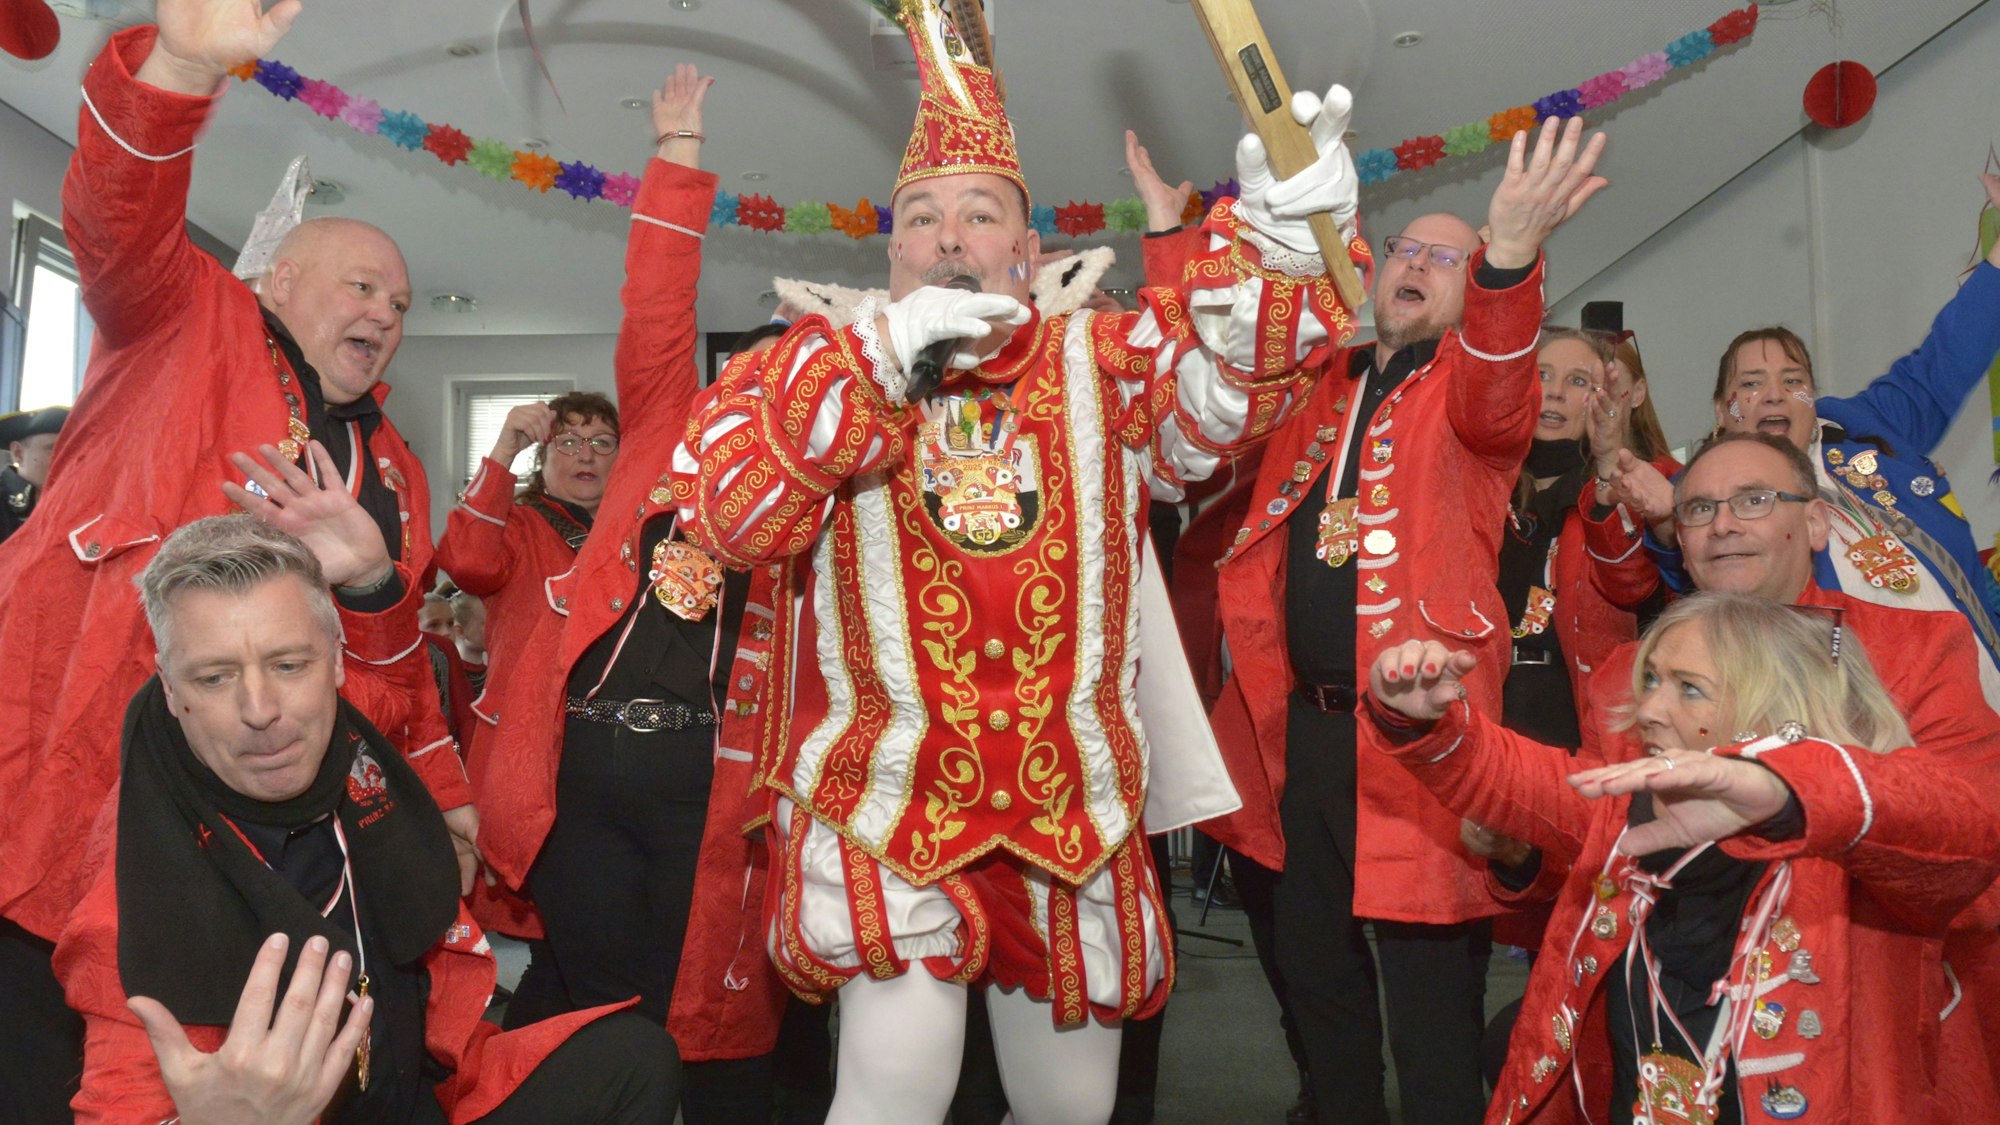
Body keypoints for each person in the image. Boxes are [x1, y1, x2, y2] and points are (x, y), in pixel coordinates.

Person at [670, 1, 1367, 1118]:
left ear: (1026, 250)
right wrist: (877, 359)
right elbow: (731, 513)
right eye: (925, 219)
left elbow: (1228, 393)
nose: (950, 237)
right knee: (887, 1099)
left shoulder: (1104, 357)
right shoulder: (815, 367)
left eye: (980, 214)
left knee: (1067, 1114)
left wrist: (1280, 246)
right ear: (891, 252)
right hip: (887, 806)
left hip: (1071, 813)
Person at [0, 1, 473, 1114]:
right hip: (61, 794)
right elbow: (114, 226)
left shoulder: (397, 468)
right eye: (360, 286)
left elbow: (382, 675)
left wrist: (370, 587)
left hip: (249, 841)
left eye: (400, 305)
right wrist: (174, 68)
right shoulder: (187, 318)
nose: (386, 315)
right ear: (274, 284)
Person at [1185, 117, 1607, 1125]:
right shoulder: (1315, 390)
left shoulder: (1466, 400)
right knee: (1311, 973)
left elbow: (1502, 379)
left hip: (1425, 743)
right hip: (1300, 737)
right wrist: (1182, 239)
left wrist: (1506, 256)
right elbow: (1217, 353)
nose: (1416, 265)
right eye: (1404, 250)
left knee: (1430, 1007)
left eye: (1443, 259)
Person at [55, 513, 679, 1124]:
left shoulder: (347, 727)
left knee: (636, 1056)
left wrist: (374, 581)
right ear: (169, 687)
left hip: (418, 1087)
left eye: (287, 664)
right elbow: (119, 1102)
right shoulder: (134, 908)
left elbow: (397, 687)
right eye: (215, 677)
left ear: (333, 664)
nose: (260, 710)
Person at [464, 65, 789, 1124]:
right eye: (748, 383)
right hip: (590, 767)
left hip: (708, 778)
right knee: (605, 1002)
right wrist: (678, 154)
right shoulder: (661, 431)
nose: (764, 404)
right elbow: (656, 300)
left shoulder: (806, 505)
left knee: (689, 997)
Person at [1363, 589, 2000, 1124]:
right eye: (1652, 681)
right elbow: (1517, 778)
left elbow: (1959, 825)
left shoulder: (1865, 848)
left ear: (1781, 707)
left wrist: (1791, 791)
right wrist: (1421, 721)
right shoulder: (1636, 805)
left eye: (1688, 689)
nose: (1646, 709)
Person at [1609, 173, 2000, 704]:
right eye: (1751, 384)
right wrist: (1666, 520)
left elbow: (1947, 358)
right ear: (1724, 411)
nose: (1775, 396)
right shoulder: (1702, 495)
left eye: (1793, 381)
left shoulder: (1866, 426)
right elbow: (1710, 599)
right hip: (1857, 713)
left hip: (1982, 688)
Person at [0, 404, 66, 543]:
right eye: (53, 448)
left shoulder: (79, 501)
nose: (66, 457)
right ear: (18, 454)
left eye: (71, 448)